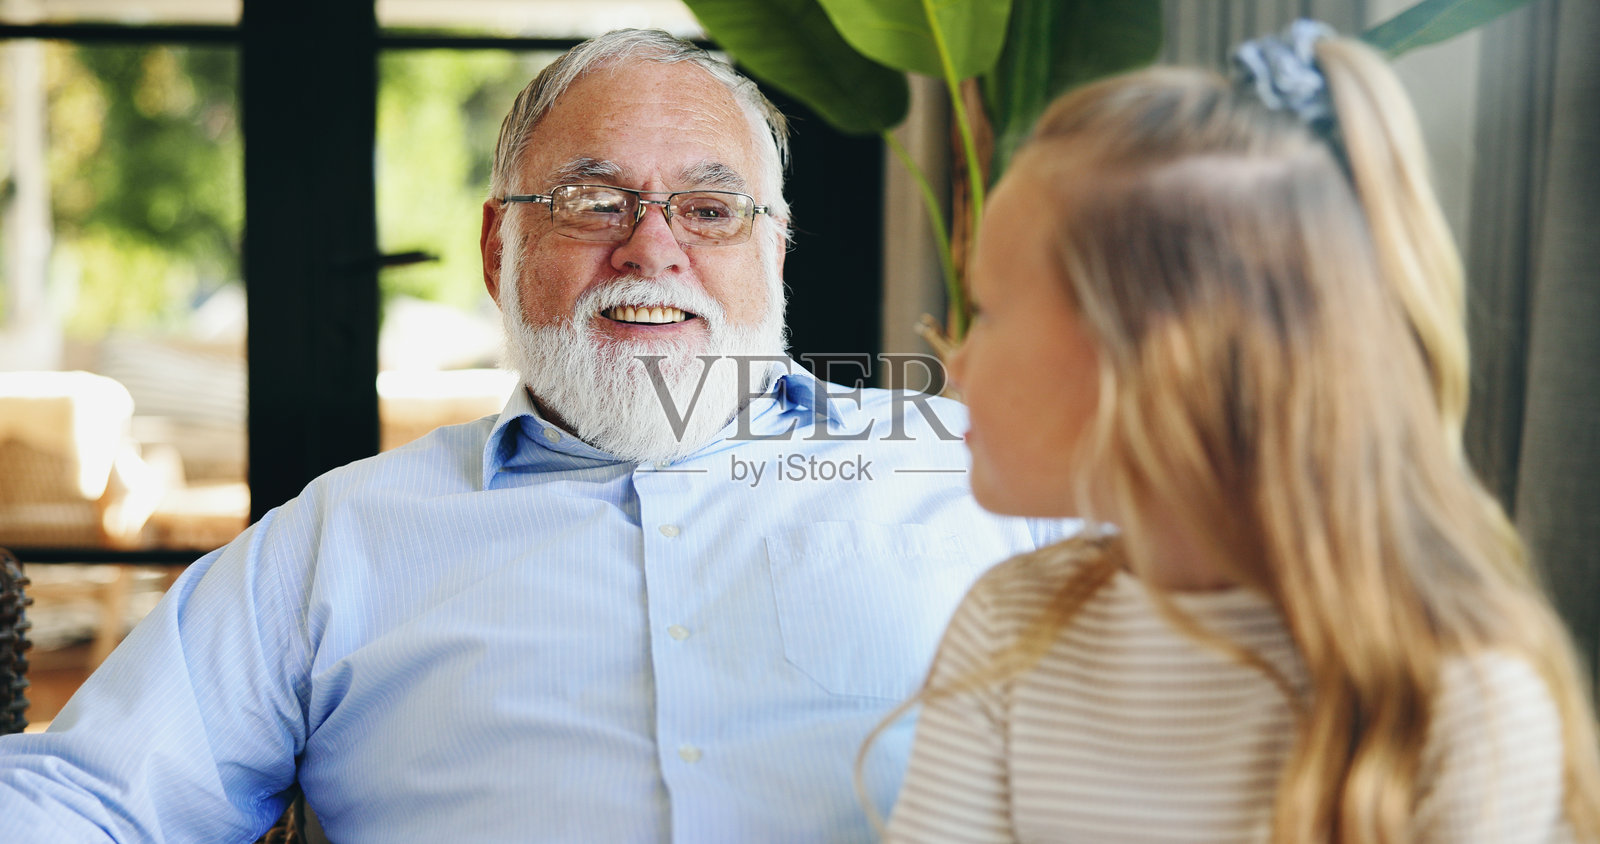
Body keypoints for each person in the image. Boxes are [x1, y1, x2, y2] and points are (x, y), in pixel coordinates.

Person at [0, 29, 1065, 843]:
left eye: (709, 210)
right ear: (496, 247)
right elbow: (95, 796)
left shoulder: (982, 466)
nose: (651, 248)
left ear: (774, 253)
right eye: (592, 201)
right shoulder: (339, 538)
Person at [876, 21, 1600, 843]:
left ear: (1162, 362)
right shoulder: (1011, 622)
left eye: (988, 313)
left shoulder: (1463, 698)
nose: (954, 362)